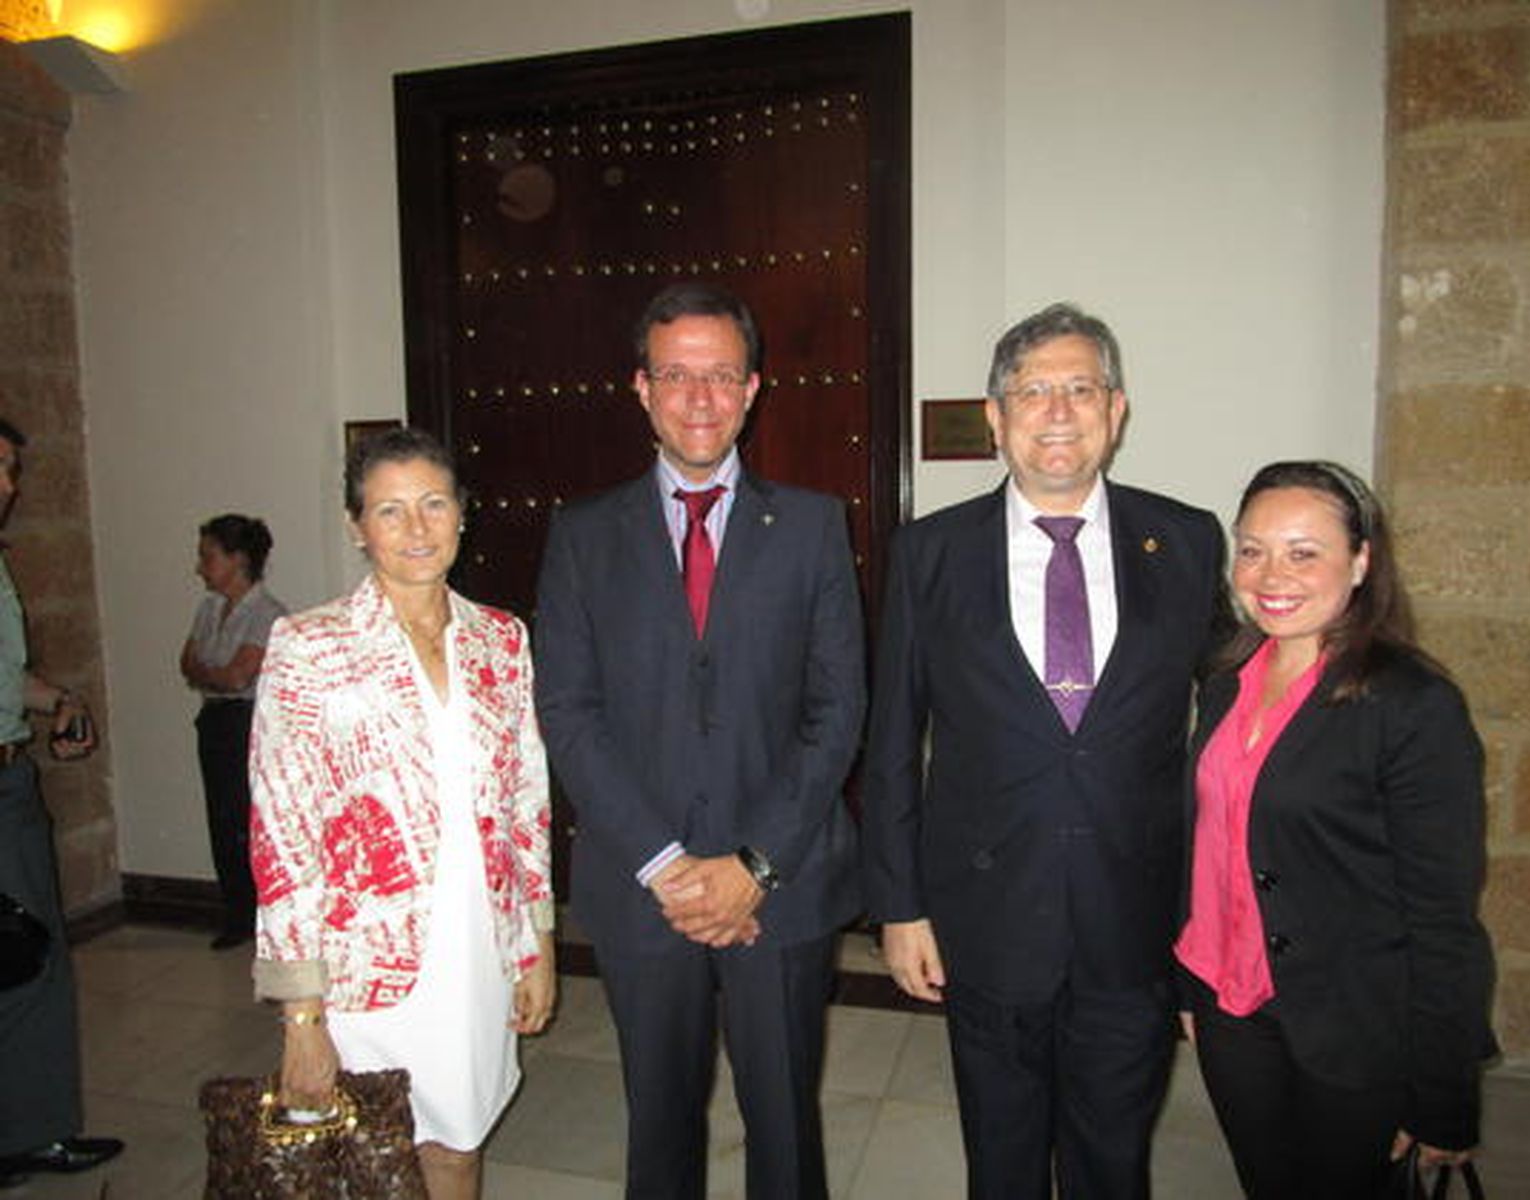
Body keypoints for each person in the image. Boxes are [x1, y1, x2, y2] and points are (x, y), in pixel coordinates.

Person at [862, 303, 1232, 1199]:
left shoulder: (1186, 539)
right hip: (986, 915)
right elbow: (892, 740)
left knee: (1114, 1160)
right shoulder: (929, 552)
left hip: (1134, 915)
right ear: (996, 418)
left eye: (1080, 389)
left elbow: (1234, 712)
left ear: (1116, 410)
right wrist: (900, 907)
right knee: (1003, 1160)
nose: (1058, 412)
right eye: (1033, 392)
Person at [535, 281, 866, 1200]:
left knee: (785, 1127)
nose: (700, 398)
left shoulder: (812, 526)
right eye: (676, 375)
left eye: (721, 375)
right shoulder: (583, 535)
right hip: (643, 888)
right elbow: (568, 711)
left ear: (753, 388)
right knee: (660, 1126)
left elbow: (838, 710)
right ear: (641, 388)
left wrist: (751, 864)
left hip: (781, 884)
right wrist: (668, 866)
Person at [1174, 461, 1496, 1199]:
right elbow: (1210, 847)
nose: (1271, 576)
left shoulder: (1412, 704)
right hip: (1230, 1010)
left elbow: (1443, 916)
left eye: (1303, 552)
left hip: (1352, 1026)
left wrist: (1443, 1094)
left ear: (1360, 561)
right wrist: (1191, 987)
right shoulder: (1225, 682)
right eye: (1252, 550)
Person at [249, 427, 555, 1200]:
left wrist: (536, 943)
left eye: (434, 504)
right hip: (361, 969)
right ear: (357, 526)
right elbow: (281, 838)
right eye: (390, 510)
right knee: (370, 1156)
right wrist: (302, 1017)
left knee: (458, 1142)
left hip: (477, 950)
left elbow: (526, 801)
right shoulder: (309, 646)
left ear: (463, 513)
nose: (417, 528)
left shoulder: (501, 640)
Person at [0, 417, 123, 1187]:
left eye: (11, 469)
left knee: (31, 956)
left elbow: (4, 673)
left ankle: (35, 1129)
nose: (8, 485)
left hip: (12, 778)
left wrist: (59, 701)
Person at [179, 513, 285, 950]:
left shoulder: (268, 613)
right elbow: (187, 663)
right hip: (215, 721)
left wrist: (210, 673)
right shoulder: (208, 608)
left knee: (250, 819)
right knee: (221, 818)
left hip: (249, 723)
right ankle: (236, 913)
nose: (199, 567)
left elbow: (239, 676)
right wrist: (213, 674)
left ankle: (266, 916)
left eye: (208, 556)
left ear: (238, 559)